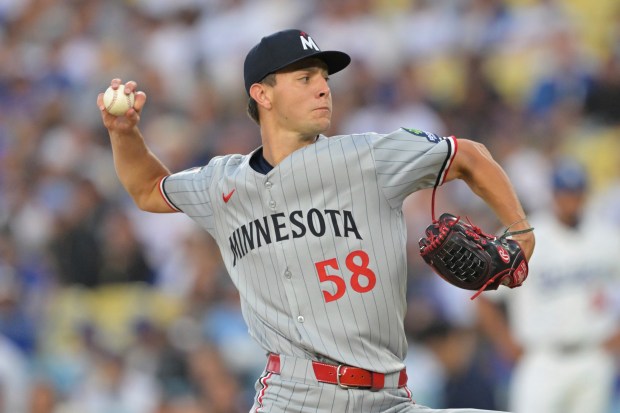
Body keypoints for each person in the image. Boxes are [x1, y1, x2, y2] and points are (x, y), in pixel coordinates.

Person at [98, 29, 534, 413]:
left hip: (389, 400)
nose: (323, 89)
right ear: (262, 94)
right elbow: (148, 189)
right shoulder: (222, 184)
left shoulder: (368, 156)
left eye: (324, 78)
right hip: (292, 398)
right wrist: (124, 134)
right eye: (305, 79)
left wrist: (521, 230)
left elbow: (469, 156)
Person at [477, 158, 620, 413]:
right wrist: (504, 341)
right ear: (553, 194)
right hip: (541, 357)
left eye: (576, 192)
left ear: (585, 194)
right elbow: (485, 296)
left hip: (593, 354)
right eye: (565, 193)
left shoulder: (605, 236)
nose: (571, 199)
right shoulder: (525, 235)